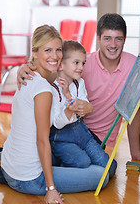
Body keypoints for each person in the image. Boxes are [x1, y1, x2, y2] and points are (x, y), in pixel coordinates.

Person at [16, 13, 140, 161]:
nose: (113, 45)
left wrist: (136, 152)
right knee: (46, 158)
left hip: (97, 139)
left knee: (102, 168)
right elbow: (51, 70)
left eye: (118, 39)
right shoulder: (82, 63)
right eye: (107, 38)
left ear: (124, 40)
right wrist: (28, 67)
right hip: (69, 129)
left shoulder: (134, 65)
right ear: (98, 38)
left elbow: (133, 109)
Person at [0, 25, 110, 204]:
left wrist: (24, 67)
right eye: (48, 50)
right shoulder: (43, 90)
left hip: (9, 166)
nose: (55, 55)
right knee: (101, 176)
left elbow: (55, 77)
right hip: (29, 178)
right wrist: (51, 189)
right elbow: (42, 140)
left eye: (58, 50)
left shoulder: (30, 76)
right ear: (35, 52)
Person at [49, 40, 117, 178]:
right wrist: (69, 104)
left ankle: (84, 165)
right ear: (61, 65)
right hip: (61, 137)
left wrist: (77, 102)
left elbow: (83, 107)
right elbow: (57, 123)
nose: (81, 67)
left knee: (110, 167)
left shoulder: (80, 83)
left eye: (83, 63)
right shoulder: (52, 88)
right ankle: (56, 162)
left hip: (81, 133)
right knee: (82, 163)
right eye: (76, 63)